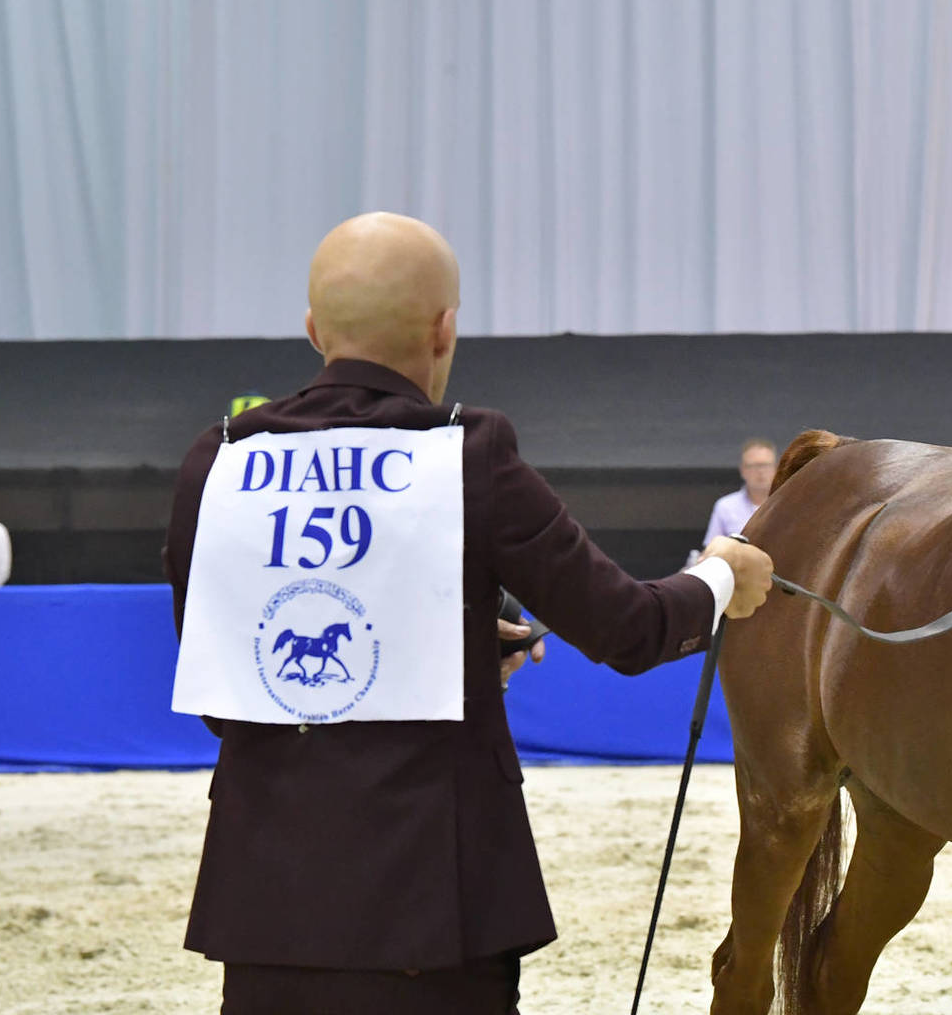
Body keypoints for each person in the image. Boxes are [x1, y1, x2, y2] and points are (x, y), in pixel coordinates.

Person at [163, 211, 773, 1015]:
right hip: (434, 907)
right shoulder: (468, 450)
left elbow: (230, 686)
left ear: (314, 330)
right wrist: (722, 574)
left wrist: (441, 642)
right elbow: (629, 630)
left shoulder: (222, 456)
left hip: (266, 902)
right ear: (446, 328)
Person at [702, 438, 777, 546]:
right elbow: (712, 549)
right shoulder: (725, 506)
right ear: (743, 470)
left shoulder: (789, 505)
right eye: (753, 466)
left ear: (776, 468)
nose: (760, 471)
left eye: (765, 465)